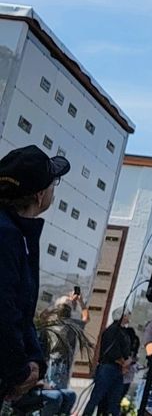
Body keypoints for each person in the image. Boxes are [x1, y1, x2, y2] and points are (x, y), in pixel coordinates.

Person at [0, 145, 75, 415]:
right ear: (40, 194)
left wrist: (33, 363)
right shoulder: (8, 236)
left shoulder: (18, 234)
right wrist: (19, 371)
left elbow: (20, 313)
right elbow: (5, 310)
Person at [83, 312, 134, 416]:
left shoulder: (123, 332)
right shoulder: (113, 330)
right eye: (126, 315)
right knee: (97, 396)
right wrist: (124, 362)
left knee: (115, 399)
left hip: (117, 369)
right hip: (108, 368)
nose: (128, 317)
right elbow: (112, 352)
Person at [42, 291, 89, 389]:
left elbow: (44, 314)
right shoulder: (71, 324)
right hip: (60, 363)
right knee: (57, 390)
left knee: (49, 389)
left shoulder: (50, 321)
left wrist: (61, 302)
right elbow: (86, 318)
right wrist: (81, 302)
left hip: (49, 359)